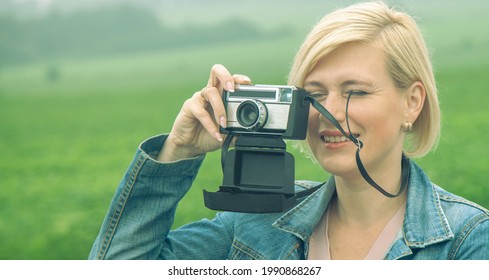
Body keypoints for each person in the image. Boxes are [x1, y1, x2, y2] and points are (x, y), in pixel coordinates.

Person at [89, 1, 489, 260]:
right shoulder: (258, 222)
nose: (329, 113)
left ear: (412, 102)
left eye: (355, 92)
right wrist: (178, 150)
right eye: (314, 94)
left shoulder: (467, 241)